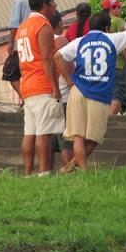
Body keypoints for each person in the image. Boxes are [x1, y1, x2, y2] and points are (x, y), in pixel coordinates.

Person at [54, 0, 126, 172]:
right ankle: (77, 167)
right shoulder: (112, 40)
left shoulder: (80, 41)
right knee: (95, 137)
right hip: (99, 93)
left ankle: (78, 166)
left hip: (78, 90)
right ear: (107, 28)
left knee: (78, 135)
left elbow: (57, 56)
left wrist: (69, 80)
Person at [16, 0, 65, 176]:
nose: (55, 5)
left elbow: (21, 62)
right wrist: (55, 87)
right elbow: (46, 58)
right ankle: (44, 172)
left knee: (30, 132)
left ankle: (28, 172)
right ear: (45, 4)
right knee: (43, 132)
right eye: (52, 1)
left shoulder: (22, 28)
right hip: (41, 84)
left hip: (27, 85)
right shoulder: (43, 26)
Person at [49, 10, 74, 167]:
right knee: (67, 138)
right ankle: (68, 169)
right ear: (58, 24)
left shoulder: (40, 40)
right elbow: (69, 65)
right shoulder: (61, 41)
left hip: (46, 94)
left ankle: (48, 170)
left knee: (49, 137)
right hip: (63, 94)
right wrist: (72, 82)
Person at [3, 0, 34, 99]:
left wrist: (10, 42)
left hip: (20, 41)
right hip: (33, 40)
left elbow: (15, 22)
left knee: (10, 72)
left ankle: (25, 98)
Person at [101, 0, 126, 115]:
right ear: (112, 9)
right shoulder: (118, 21)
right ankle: (109, 120)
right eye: (118, 7)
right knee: (118, 94)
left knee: (109, 94)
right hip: (119, 64)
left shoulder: (101, 21)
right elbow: (125, 44)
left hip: (105, 64)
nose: (120, 10)